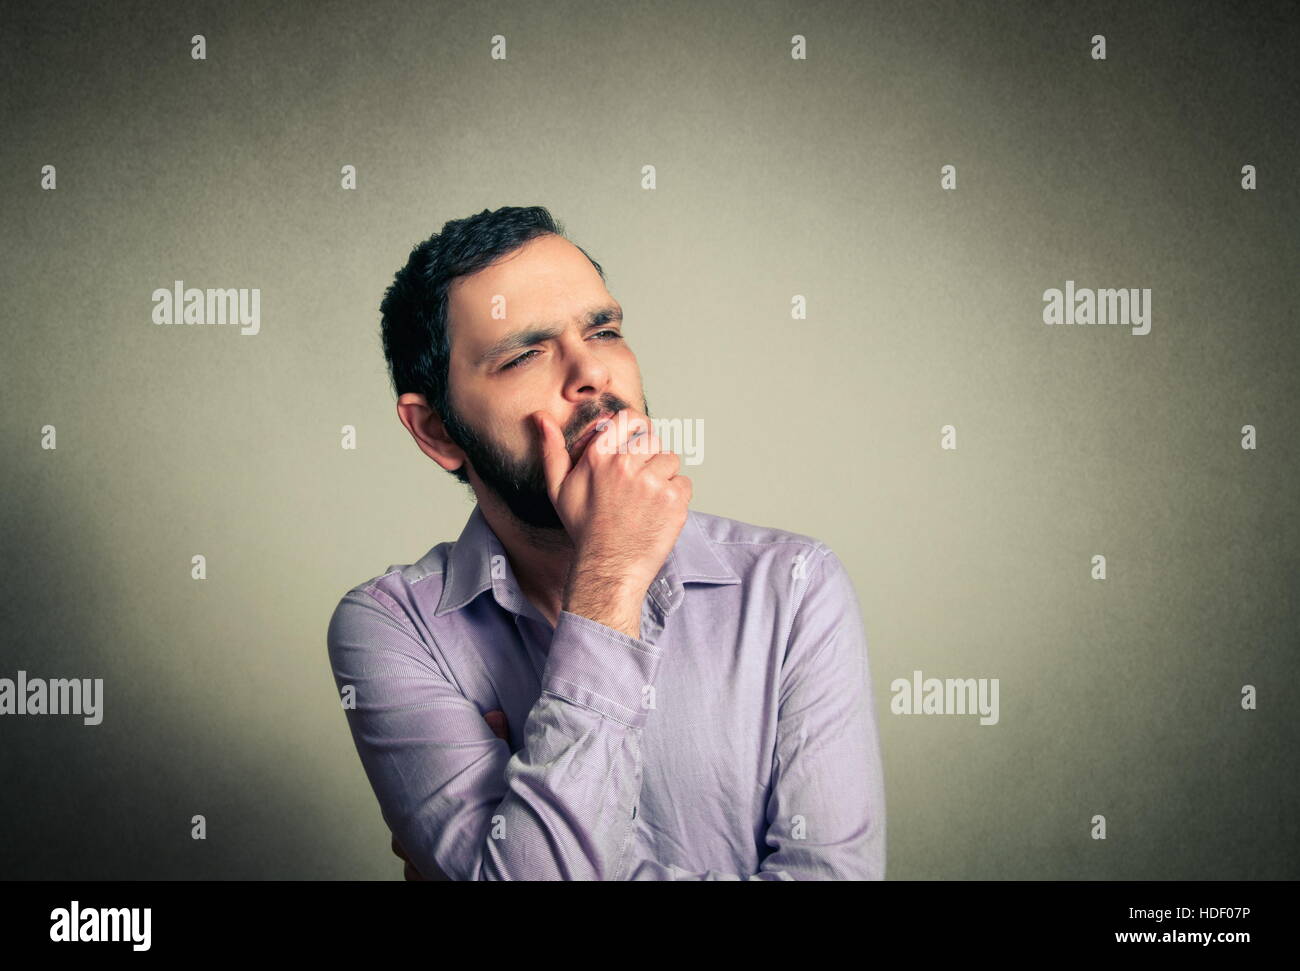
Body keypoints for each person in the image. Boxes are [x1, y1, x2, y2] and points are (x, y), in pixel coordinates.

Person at [326, 205, 886, 880]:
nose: (593, 372)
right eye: (526, 353)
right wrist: (610, 579)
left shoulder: (795, 587)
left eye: (605, 330)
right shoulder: (392, 629)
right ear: (436, 431)